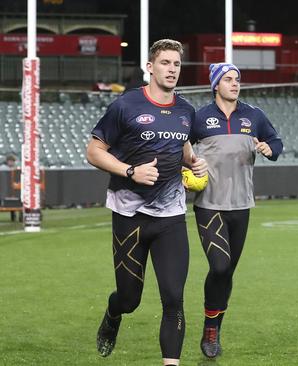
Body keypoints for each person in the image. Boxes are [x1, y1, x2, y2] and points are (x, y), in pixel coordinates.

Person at [86, 39, 207, 366]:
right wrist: (130, 171)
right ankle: (113, 313)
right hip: (130, 216)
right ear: (150, 67)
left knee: (173, 299)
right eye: (165, 63)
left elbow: (183, 149)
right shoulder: (126, 105)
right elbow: (94, 151)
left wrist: (193, 163)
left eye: (177, 64)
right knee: (129, 298)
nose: (172, 69)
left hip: (171, 217)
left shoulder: (186, 111)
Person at [190, 62, 283, 358]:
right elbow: (181, 150)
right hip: (209, 205)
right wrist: (187, 168)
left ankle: (215, 327)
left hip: (242, 205)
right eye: (228, 79)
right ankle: (210, 328)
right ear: (215, 84)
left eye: (237, 79)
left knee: (227, 272)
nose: (235, 84)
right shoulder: (200, 118)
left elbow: (276, 142)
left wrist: (270, 149)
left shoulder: (254, 116)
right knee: (218, 266)